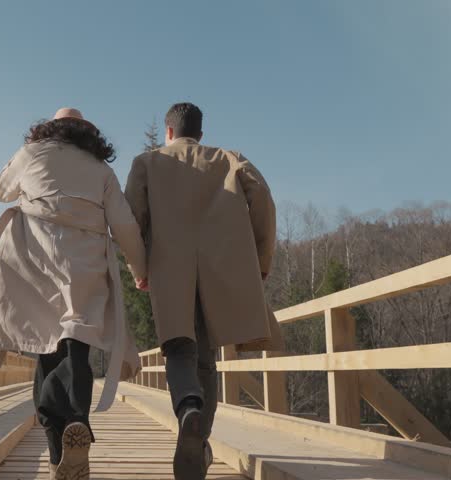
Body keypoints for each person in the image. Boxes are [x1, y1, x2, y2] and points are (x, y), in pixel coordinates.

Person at [0, 108, 147, 480]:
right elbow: (125, 225)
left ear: (49, 128)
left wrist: (27, 154)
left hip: (32, 264)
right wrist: (139, 269)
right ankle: (76, 421)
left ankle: (56, 455)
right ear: (89, 135)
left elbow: (1, 190)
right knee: (75, 345)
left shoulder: (31, 154)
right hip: (83, 268)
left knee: (47, 354)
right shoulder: (101, 171)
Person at [125, 102, 284, 480]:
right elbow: (263, 202)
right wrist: (260, 261)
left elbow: (131, 220)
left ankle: (188, 408)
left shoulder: (146, 163)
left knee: (179, 348)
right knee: (206, 356)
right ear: (200, 133)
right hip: (222, 269)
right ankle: (200, 442)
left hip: (169, 269)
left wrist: (139, 269)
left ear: (168, 131)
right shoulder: (230, 160)